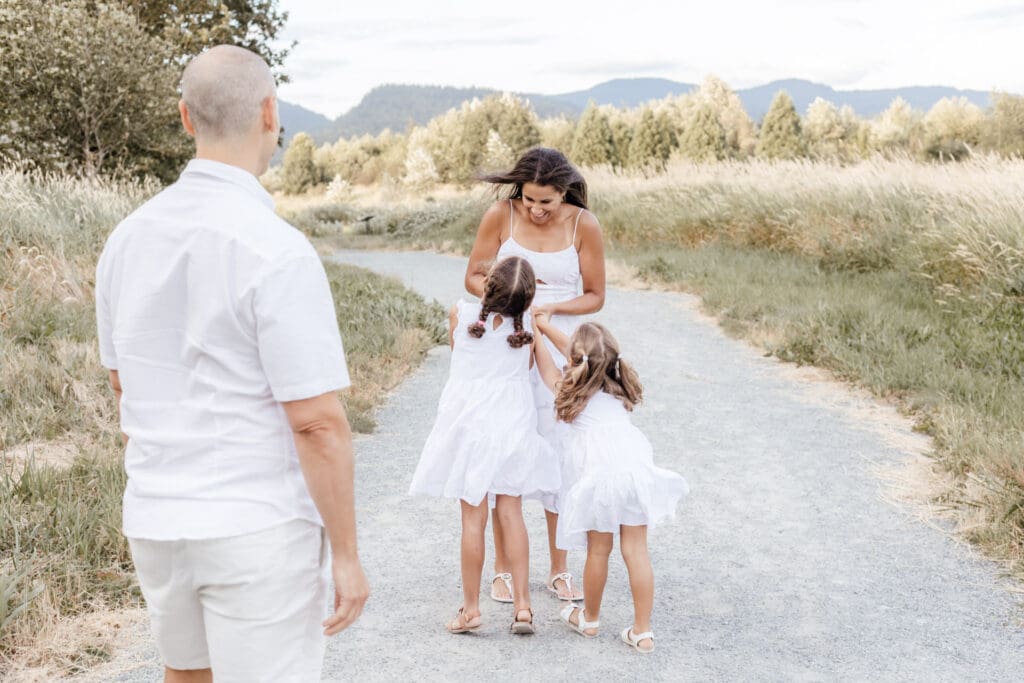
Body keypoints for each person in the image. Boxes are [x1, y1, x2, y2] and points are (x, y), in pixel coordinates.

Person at [95, 45, 368, 683]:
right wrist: (347, 557)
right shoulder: (278, 249)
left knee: (186, 676)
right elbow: (317, 423)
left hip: (158, 518)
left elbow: (121, 382)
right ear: (270, 113)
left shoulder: (127, 238)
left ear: (186, 119)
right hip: (255, 524)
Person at [466, 147, 606, 603]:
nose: (535, 209)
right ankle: (503, 570)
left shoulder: (584, 225)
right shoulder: (500, 216)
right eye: (528, 199)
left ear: (563, 192)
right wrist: (512, 302)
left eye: (546, 201)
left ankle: (559, 567)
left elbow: (595, 296)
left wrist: (552, 308)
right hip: (511, 342)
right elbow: (472, 276)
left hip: (560, 342)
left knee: (558, 454)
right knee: (507, 450)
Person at [410, 256, 559, 635]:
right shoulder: (527, 332)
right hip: (511, 423)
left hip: (469, 425)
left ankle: (472, 609)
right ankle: (523, 607)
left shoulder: (460, 314)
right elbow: (531, 371)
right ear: (528, 300)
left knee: (472, 518)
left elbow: (461, 356)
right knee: (512, 512)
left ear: (489, 284)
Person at [532, 317, 688, 653]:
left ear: (576, 362)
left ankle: (590, 619)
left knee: (598, 550)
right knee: (636, 551)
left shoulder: (571, 392)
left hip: (600, 482)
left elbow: (549, 367)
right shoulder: (619, 389)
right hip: (633, 475)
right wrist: (546, 326)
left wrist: (535, 332)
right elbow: (585, 356)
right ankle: (642, 632)